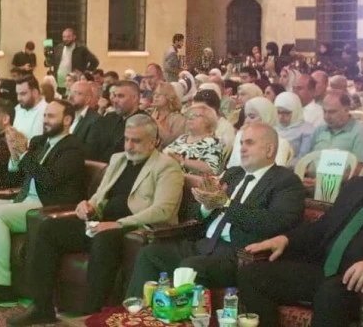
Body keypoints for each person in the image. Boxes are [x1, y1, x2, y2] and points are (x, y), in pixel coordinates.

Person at [7, 115, 185, 326]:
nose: (129, 146)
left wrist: (118, 224)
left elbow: (163, 210)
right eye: (127, 139)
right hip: (102, 223)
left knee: (104, 237)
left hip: (134, 228)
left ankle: (91, 313)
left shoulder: (167, 167)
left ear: (154, 141)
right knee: (49, 229)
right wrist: (88, 206)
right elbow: (100, 195)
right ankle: (41, 307)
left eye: (136, 141)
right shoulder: (118, 159)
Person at [126, 123, 306, 295]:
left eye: (249, 143)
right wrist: (206, 205)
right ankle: (136, 311)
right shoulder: (234, 173)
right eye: (241, 143)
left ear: (269, 150)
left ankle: (176, 315)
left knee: (190, 268)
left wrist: (226, 204)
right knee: (150, 253)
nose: (242, 149)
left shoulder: (286, 182)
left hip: (238, 254)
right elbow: (195, 216)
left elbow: (273, 223)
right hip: (204, 243)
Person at [0, 100, 86, 307]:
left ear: (67, 120)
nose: (45, 120)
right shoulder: (39, 141)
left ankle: (1, 286)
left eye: (51, 116)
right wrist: (14, 150)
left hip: (47, 206)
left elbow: (49, 180)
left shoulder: (73, 148)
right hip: (24, 199)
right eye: (45, 115)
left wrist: (23, 153)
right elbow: (15, 170)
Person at [238, 177, 363, 327]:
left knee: (331, 293)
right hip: (327, 273)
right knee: (252, 276)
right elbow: (323, 227)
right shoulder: (358, 185)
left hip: (359, 286)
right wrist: (285, 239)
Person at [163, 103, 224, 186]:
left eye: (195, 115)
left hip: (189, 187)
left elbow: (211, 168)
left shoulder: (214, 142)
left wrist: (182, 161)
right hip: (167, 179)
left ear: (208, 121)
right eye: (188, 115)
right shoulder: (182, 138)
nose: (190, 118)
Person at [227, 97, 292, 168]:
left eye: (252, 117)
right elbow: (232, 166)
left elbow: (277, 172)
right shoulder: (241, 135)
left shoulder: (280, 142)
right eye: (246, 117)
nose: (246, 121)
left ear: (266, 117)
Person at [310, 92, 363, 165]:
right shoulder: (319, 130)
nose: (326, 116)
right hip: (310, 172)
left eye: (332, 112)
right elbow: (307, 159)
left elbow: (362, 167)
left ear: (346, 110)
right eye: (324, 111)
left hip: (343, 172)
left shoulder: (361, 133)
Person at [274, 92, 314, 166]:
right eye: (278, 112)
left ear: (296, 111)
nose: (281, 116)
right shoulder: (272, 128)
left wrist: (282, 164)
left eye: (286, 113)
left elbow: (303, 158)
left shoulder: (307, 130)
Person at [151, 82, 185, 148]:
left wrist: (156, 123)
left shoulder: (178, 118)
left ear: (169, 97)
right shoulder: (152, 113)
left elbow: (174, 143)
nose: (156, 97)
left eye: (160, 94)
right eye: (155, 93)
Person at [13, 75, 48, 139]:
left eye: (23, 94)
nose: (18, 98)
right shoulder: (18, 108)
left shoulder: (46, 111)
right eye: (17, 94)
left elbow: (38, 142)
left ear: (35, 92)